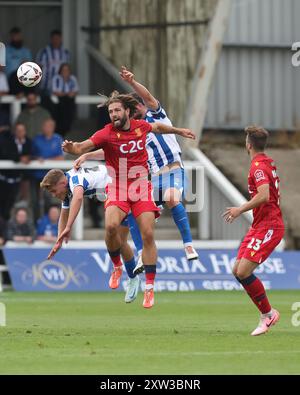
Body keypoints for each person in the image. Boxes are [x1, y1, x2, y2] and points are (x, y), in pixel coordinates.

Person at [62, 91, 195, 308]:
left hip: (142, 187)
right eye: (110, 111)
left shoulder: (140, 127)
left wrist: (179, 130)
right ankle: (117, 267)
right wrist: (73, 149)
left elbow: (159, 128)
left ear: (126, 111)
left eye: (116, 110)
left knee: (148, 234)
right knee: (111, 227)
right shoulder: (106, 134)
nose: (113, 114)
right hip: (118, 187)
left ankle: (150, 288)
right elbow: (83, 146)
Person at [119, 66, 199, 263]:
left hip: (173, 172)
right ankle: (140, 253)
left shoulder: (156, 116)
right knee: (132, 211)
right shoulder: (134, 131)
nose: (130, 113)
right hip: (154, 180)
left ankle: (188, 244)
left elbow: (148, 97)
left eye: (132, 108)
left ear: (139, 107)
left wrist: (132, 83)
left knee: (172, 197)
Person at [41, 165, 141, 303]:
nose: (53, 195)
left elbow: (78, 198)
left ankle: (121, 270)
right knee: (118, 239)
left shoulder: (75, 180)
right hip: (116, 191)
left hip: (123, 189)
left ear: (62, 183)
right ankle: (131, 277)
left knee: (111, 230)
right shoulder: (67, 185)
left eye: (53, 191)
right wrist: (59, 239)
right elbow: (64, 212)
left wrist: (69, 227)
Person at [222, 125, 285, 336]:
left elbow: (264, 195)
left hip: (270, 226)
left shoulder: (257, 166)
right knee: (237, 270)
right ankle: (267, 313)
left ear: (248, 144)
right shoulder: (267, 161)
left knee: (243, 271)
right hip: (260, 225)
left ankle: (267, 315)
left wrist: (240, 209)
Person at [31, 118, 64, 220]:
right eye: (45, 126)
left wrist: (45, 160)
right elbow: (31, 155)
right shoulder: (37, 139)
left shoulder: (58, 139)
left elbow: (61, 157)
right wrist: (37, 158)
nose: (47, 128)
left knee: (49, 200)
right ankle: (37, 222)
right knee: (35, 201)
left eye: (50, 126)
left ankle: (50, 222)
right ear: (42, 127)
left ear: (53, 127)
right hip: (37, 175)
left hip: (52, 177)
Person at [36, 30, 70, 116]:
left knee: (60, 112)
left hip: (61, 89)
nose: (56, 40)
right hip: (46, 87)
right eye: (54, 38)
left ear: (61, 39)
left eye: (58, 38)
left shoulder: (65, 53)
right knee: (47, 111)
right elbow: (38, 68)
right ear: (51, 39)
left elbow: (67, 69)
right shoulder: (44, 52)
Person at [52, 63, 79, 136]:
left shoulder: (73, 78)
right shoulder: (56, 78)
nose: (65, 72)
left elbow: (75, 91)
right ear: (60, 71)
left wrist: (66, 94)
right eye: (63, 70)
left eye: (67, 70)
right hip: (59, 102)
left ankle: (67, 127)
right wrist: (67, 94)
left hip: (69, 102)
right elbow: (55, 91)